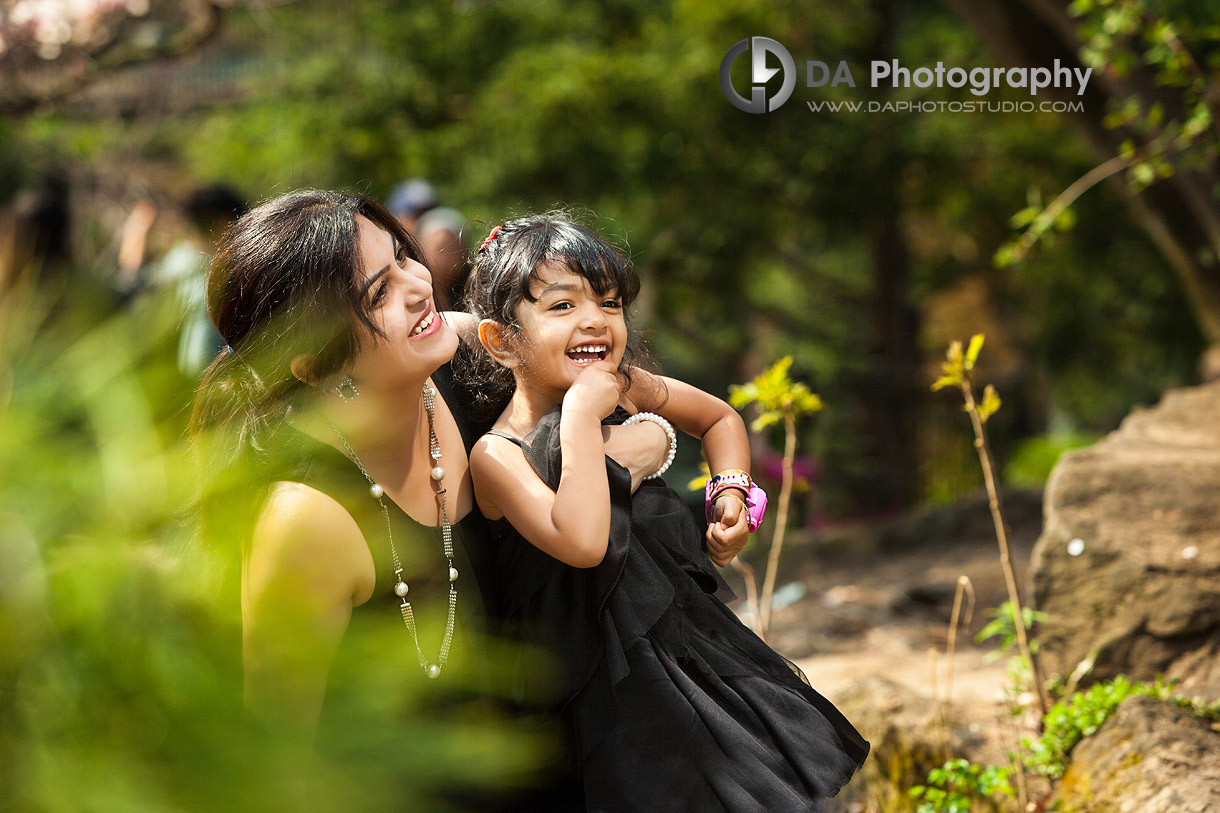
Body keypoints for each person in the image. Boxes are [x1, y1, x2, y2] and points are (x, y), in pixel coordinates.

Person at [189, 189, 680, 808]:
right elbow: (273, 762)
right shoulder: (306, 518)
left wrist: (661, 446)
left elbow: (628, 398)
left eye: (401, 256)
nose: (418, 285)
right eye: (377, 293)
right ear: (311, 364)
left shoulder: (467, 353)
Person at [464, 213, 870, 811]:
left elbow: (719, 419)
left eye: (609, 302)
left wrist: (731, 492)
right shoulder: (497, 454)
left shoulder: (625, 385)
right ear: (502, 342)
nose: (595, 321)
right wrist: (580, 417)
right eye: (561, 306)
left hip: (684, 655)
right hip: (590, 695)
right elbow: (581, 541)